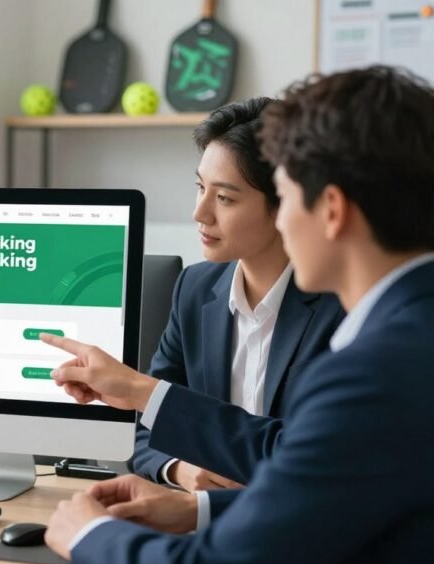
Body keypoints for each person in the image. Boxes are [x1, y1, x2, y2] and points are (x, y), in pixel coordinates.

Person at [40, 66, 434, 564]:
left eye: (289, 198)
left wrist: (88, 534)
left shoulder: (377, 371)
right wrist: (196, 509)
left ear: (332, 210)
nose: (200, 213)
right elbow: (350, 501)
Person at [131, 97, 343, 491]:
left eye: (224, 198)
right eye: (200, 188)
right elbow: (143, 428)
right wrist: (181, 468)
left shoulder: (340, 306)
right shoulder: (194, 289)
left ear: (285, 204)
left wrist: (141, 393)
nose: (200, 213)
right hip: (203, 517)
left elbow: (311, 454)